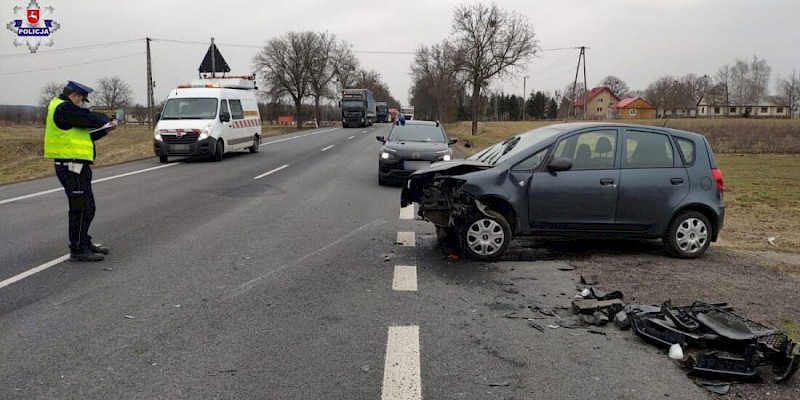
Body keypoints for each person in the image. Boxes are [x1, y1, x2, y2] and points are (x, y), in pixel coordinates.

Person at [43, 80, 117, 261]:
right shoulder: (64, 108)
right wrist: (106, 118)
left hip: (77, 166)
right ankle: (77, 248)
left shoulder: (66, 111)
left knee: (87, 207)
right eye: (82, 100)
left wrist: (105, 130)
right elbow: (89, 118)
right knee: (80, 208)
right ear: (74, 95)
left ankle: (84, 242)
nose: (82, 103)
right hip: (70, 167)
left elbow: (85, 136)